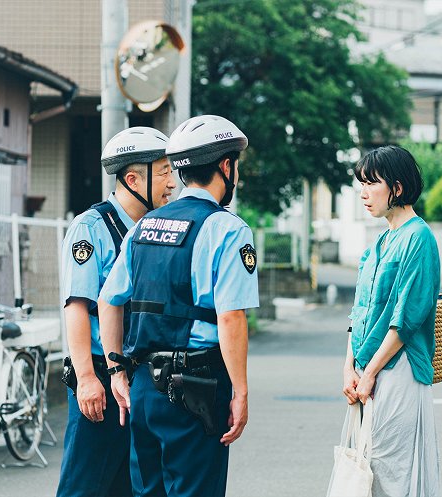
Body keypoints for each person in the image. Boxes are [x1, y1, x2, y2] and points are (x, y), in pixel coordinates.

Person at [98, 115, 259, 497]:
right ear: (226, 166)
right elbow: (231, 316)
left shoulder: (144, 226)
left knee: (148, 490)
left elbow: (108, 299)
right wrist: (240, 391)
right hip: (197, 387)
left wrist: (116, 370)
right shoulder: (228, 228)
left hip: (143, 388)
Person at [57, 127, 176, 497]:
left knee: (129, 486)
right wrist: (88, 378)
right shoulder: (91, 227)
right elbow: (77, 307)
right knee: (85, 484)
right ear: (132, 178)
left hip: (141, 381)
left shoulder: (155, 230)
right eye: (164, 172)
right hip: (99, 376)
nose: (172, 183)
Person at [342, 145, 441, 496]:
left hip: (398, 369)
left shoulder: (419, 238)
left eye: (372, 183)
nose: (364, 193)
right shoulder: (380, 241)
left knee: (391, 468)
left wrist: (368, 373)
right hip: (369, 369)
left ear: (397, 188)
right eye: (361, 184)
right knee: (369, 468)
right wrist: (349, 366)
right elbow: (360, 309)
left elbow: (407, 318)